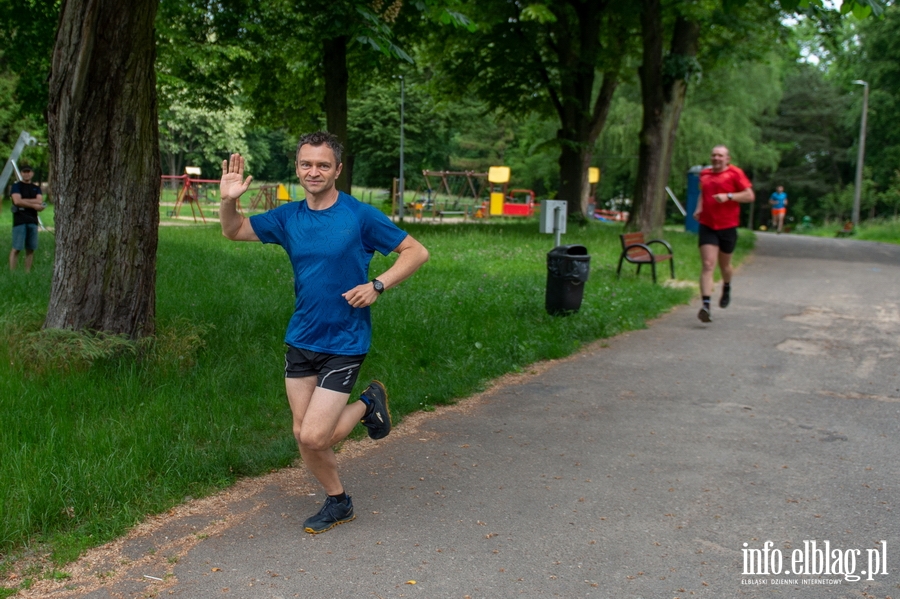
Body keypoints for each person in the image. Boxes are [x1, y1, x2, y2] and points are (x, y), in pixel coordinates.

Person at [218, 131, 429, 534]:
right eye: (306, 164)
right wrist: (228, 202)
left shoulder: (359, 216)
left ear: (338, 169)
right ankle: (339, 503)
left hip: (345, 340)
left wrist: (378, 285)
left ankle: (368, 403)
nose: (313, 171)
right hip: (301, 336)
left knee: (315, 436)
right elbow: (233, 230)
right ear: (297, 167)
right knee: (303, 433)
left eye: (323, 165)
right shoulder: (288, 217)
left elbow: (416, 251)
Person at [693, 145, 755, 323]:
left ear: (728, 158)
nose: (716, 158)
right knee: (707, 264)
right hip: (707, 224)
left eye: (720, 155)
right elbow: (703, 194)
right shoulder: (705, 174)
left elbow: (749, 196)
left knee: (725, 266)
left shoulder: (735, 173)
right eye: (713, 155)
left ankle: (726, 286)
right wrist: (699, 208)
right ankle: (705, 306)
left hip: (728, 225)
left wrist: (729, 196)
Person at [9, 166, 45, 272]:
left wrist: (25, 202)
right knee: (16, 248)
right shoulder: (16, 186)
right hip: (19, 221)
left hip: (33, 221)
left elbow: (40, 202)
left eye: (28, 172)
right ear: (21, 173)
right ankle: (12, 273)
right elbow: (17, 201)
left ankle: (27, 272)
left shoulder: (36, 188)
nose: (26, 174)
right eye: (24, 172)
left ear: (32, 174)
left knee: (30, 249)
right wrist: (33, 205)